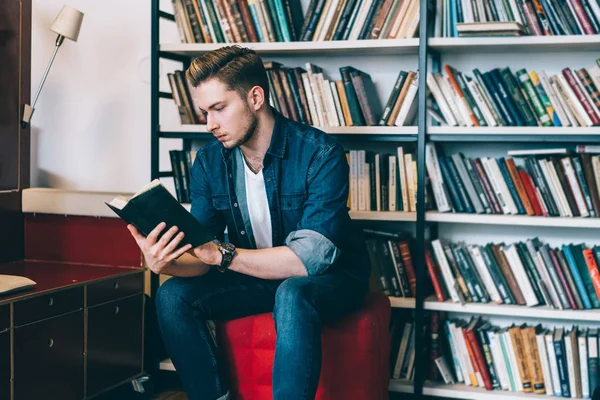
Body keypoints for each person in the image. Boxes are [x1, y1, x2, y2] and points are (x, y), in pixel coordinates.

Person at [127, 45, 370, 400]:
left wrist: (220, 256)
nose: (209, 124)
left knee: (293, 291)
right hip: (257, 275)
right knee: (171, 296)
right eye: (204, 112)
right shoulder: (209, 163)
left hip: (332, 279)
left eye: (219, 109)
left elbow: (309, 260)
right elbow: (202, 252)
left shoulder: (320, 153)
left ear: (255, 97)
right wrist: (167, 263)